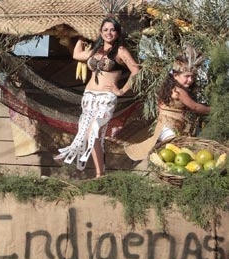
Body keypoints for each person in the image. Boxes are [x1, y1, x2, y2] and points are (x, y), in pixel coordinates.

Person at [55, 17, 140, 178]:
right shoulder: (96, 49)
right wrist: (81, 36)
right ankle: (100, 174)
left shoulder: (121, 51)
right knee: (89, 135)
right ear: (100, 32)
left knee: (93, 133)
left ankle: (100, 173)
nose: (109, 33)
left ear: (118, 32)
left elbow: (136, 71)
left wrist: (121, 90)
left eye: (112, 30)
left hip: (106, 98)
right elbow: (77, 54)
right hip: (89, 98)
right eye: (105, 29)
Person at [125, 46, 210, 161]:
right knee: (175, 155)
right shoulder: (178, 91)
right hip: (170, 127)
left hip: (164, 126)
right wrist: (213, 110)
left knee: (172, 155)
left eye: (192, 77)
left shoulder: (171, 87)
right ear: (175, 76)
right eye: (187, 76)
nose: (190, 80)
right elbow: (194, 107)